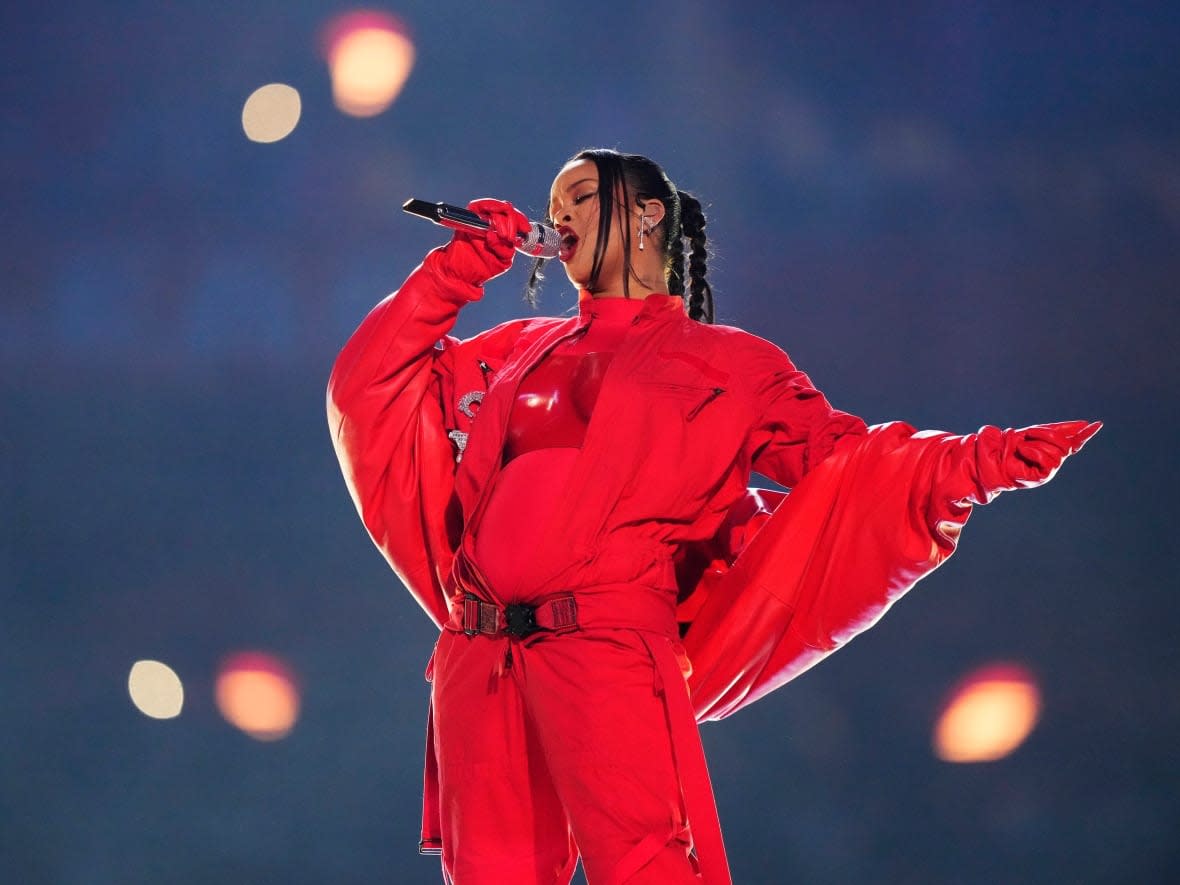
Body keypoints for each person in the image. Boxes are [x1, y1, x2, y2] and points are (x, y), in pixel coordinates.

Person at [326, 148, 1100, 885]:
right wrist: (457, 270)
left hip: (605, 646)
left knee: (649, 864)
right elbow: (371, 387)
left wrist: (975, 463)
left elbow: (845, 460)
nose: (558, 214)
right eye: (554, 202)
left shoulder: (729, 364)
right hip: (479, 652)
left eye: (582, 196)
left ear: (648, 216)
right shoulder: (515, 350)